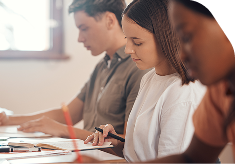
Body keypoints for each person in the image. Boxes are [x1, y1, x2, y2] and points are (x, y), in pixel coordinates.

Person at [76, 0, 235, 163]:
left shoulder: (183, 92)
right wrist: (117, 143)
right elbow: (190, 158)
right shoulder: (151, 78)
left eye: (187, 37)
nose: (182, 54)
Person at [0, 0, 151, 140]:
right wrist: (6, 120)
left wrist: (63, 130)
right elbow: (68, 114)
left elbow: (129, 142)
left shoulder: (138, 68)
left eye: (84, 28)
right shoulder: (103, 65)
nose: (79, 38)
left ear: (109, 20)